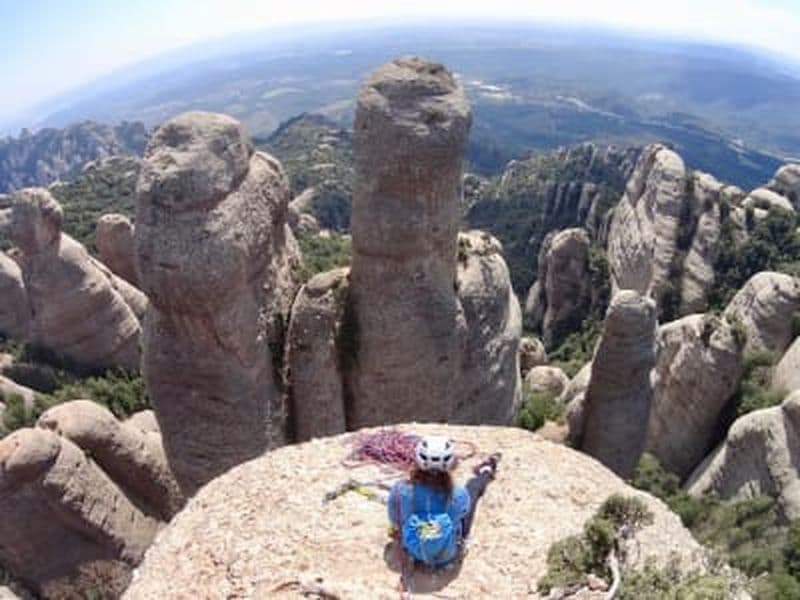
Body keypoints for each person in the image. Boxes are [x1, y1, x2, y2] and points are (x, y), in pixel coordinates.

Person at [387, 435, 500, 568]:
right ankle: (486, 470)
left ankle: (420, 549)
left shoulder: (400, 490)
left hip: (411, 549)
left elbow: (394, 520)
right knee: (472, 490)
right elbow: (460, 517)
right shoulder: (458, 494)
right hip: (446, 555)